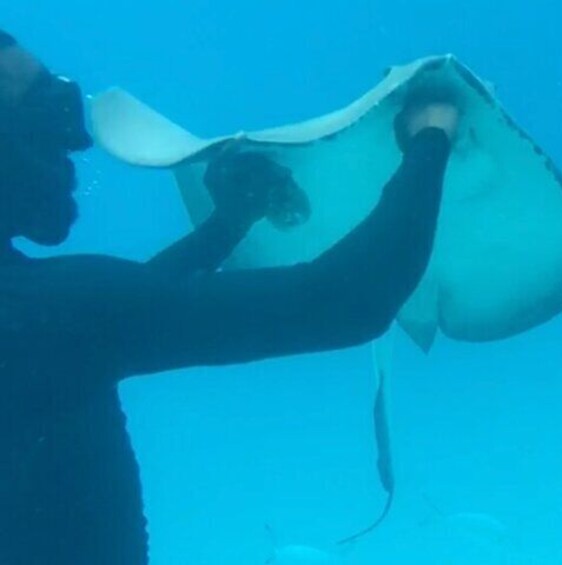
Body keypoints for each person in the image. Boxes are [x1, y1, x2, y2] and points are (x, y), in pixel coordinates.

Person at [0, 30, 459, 565]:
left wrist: (229, 224)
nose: (72, 140)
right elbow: (350, 301)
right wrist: (431, 141)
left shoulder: (44, 317)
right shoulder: (48, 311)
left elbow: (100, 323)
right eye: (37, 111)